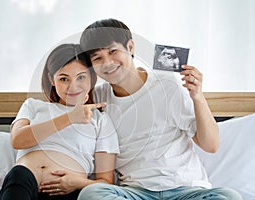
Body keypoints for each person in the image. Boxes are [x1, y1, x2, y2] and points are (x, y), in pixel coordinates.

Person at [72, 18, 241, 199]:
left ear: (130, 47)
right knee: (92, 193)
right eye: (97, 58)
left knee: (229, 196)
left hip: (186, 190)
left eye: (113, 51)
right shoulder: (97, 97)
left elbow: (211, 145)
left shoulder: (168, 85)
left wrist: (197, 96)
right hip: (135, 192)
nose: (107, 63)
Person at [0, 43, 119, 200]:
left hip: (68, 191)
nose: (73, 86)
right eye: (63, 79)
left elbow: (106, 182)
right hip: (22, 182)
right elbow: (18, 140)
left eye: (81, 77)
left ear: (92, 78)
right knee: (18, 174)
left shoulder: (100, 120)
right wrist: (70, 118)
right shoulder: (33, 106)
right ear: (52, 79)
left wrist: (77, 183)